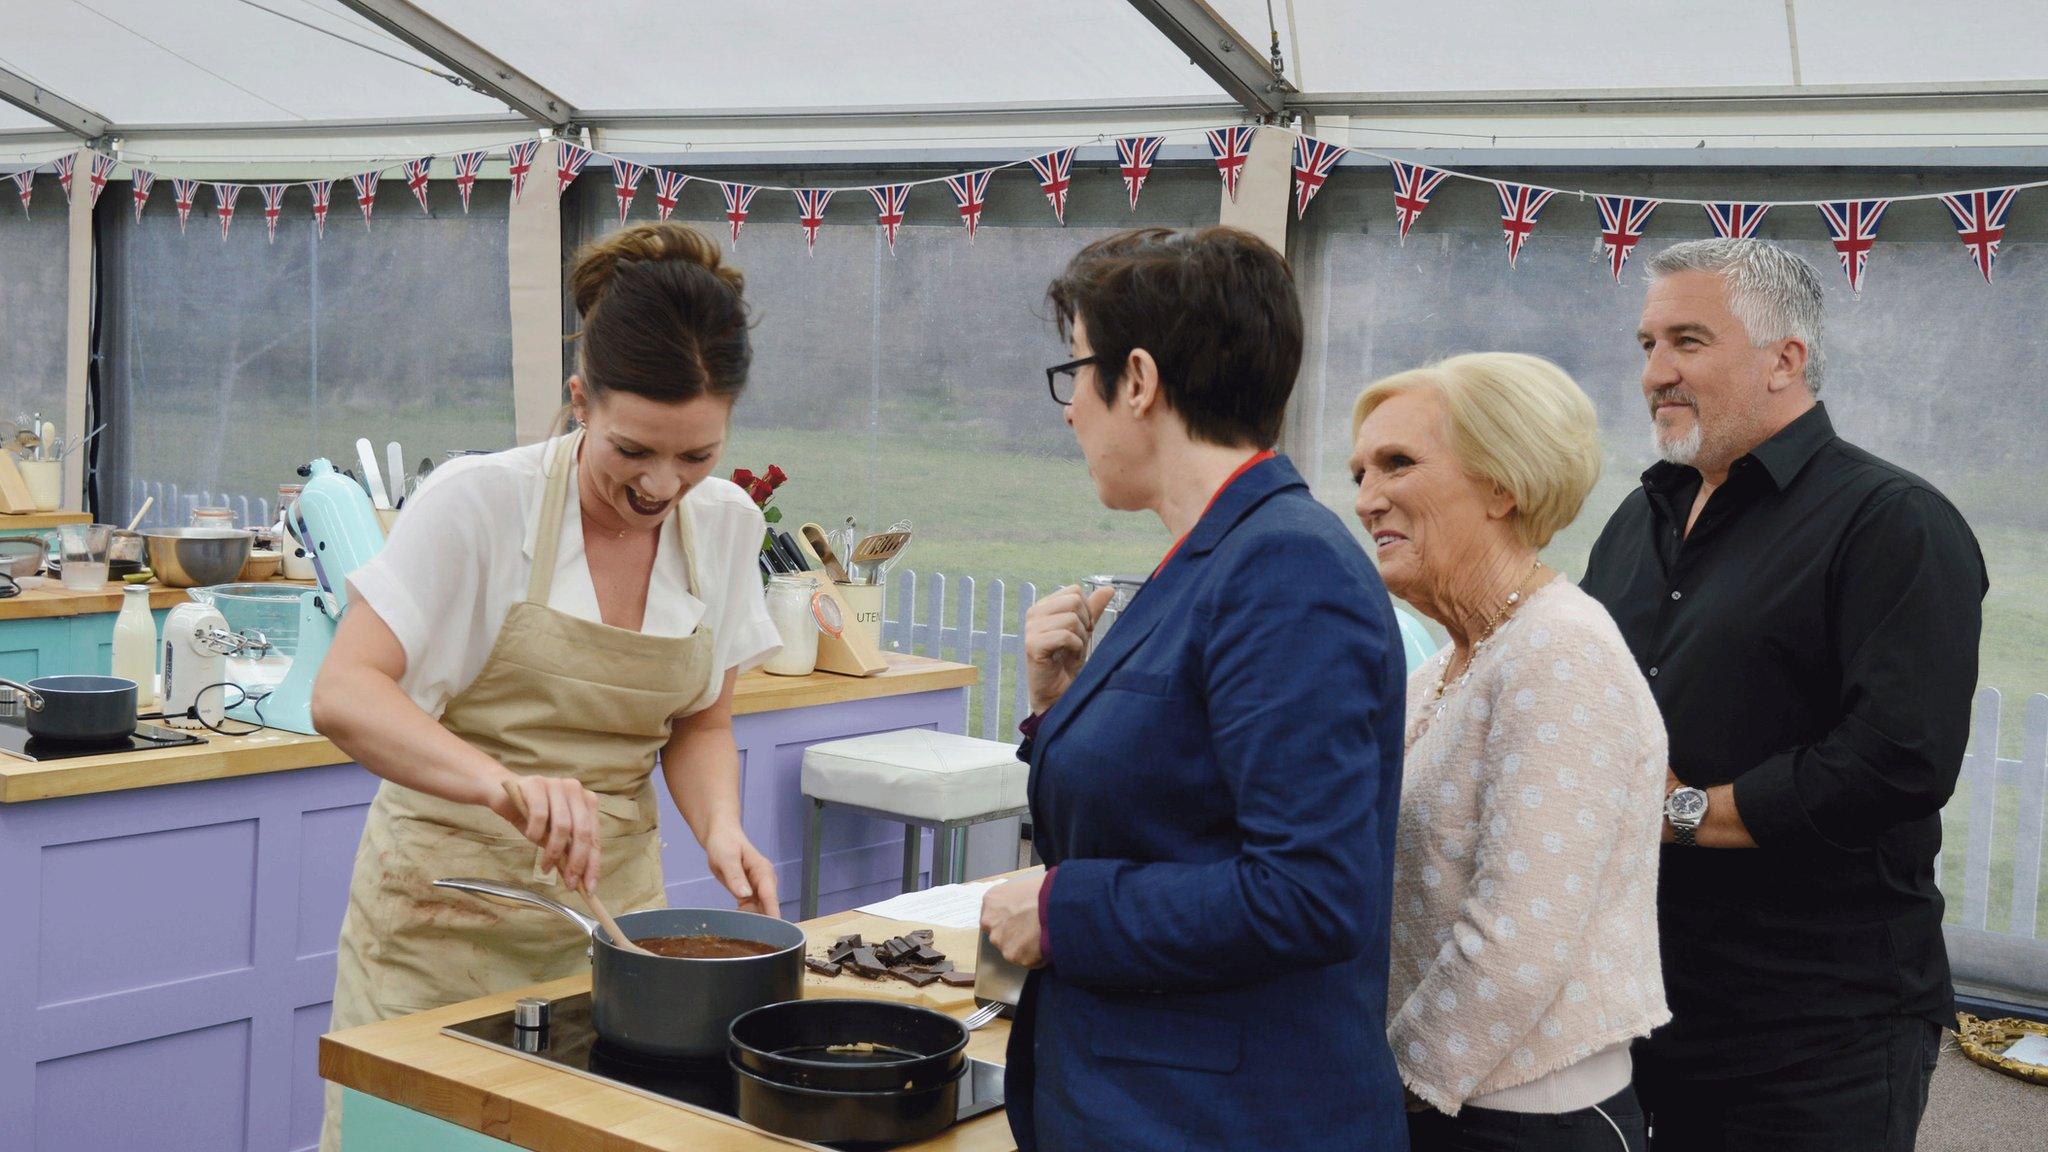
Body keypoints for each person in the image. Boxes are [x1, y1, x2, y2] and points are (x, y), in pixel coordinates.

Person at [312, 222, 784, 1152]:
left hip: (614, 939)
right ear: (580, 401)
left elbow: (700, 721)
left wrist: (720, 829)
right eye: (635, 450)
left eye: (696, 456)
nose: (662, 486)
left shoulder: (725, 525)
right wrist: (505, 785)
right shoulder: (479, 502)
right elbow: (347, 692)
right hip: (440, 921)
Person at [977, 226, 1408, 1152]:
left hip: (1223, 1121)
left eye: (1075, 374)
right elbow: (1181, 799)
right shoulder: (1219, 555)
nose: (1068, 413)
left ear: (1137, 380)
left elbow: (1307, 892)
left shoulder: (1287, 569)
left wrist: (1062, 911)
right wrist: (1059, 712)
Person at [1580, 238, 1987, 1152]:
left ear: (1785, 359)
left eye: (1687, 341)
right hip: (1636, 1000)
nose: (1656, 372)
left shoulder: (1892, 521)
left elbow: (1897, 758)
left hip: (1814, 1027)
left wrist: (1680, 811)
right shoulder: (1637, 518)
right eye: (1647, 345)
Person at [1352, 353, 1669, 1152]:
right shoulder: (1444, 669)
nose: (1365, 498)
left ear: (1504, 485)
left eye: (1399, 463)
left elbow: (1517, 947)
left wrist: (1371, 1086)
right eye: (1359, 470)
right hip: (1451, 1106)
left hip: (1528, 1123)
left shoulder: (1560, 654)